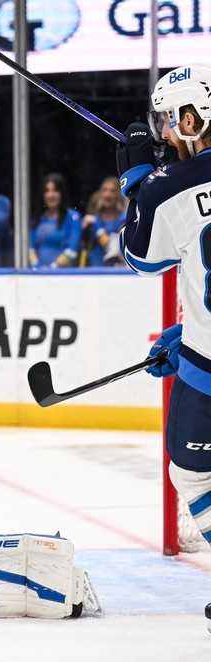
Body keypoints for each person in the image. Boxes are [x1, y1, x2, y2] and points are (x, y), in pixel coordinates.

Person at [118, 65, 211, 576]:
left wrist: (138, 182)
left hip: (210, 369)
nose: (166, 135)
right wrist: (190, 331)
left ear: (193, 118)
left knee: (195, 476)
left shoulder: (168, 186)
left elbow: (141, 256)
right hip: (203, 347)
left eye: (169, 123)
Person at [28, 172, 82, 270]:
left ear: (62, 193)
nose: (50, 195)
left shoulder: (73, 217)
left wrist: (52, 269)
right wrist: (36, 267)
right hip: (37, 275)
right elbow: (31, 248)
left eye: (55, 190)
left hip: (63, 275)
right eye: (47, 191)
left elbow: (72, 251)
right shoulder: (37, 218)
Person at [81, 176, 127, 267]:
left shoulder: (123, 220)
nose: (107, 195)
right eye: (105, 190)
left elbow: (111, 249)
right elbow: (83, 247)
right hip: (93, 270)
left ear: (118, 194)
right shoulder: (93, 218)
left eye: (112, 191)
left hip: (113, 272)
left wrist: (96, 225)